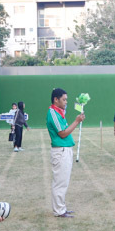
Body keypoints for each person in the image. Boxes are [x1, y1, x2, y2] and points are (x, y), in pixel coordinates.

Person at [47, 88, 84, 218]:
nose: (66, 102)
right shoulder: (52, 113)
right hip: (60, 151)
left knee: (64, 182)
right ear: (56, 99)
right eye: (64, 99)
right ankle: (59, 210)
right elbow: (62, 133)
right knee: (60, 182)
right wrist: (77, 121)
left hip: (65, 149)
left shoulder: (59, 112)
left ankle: (61, 207)